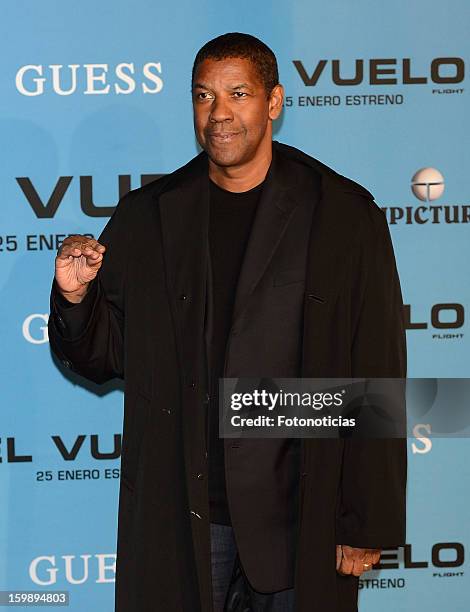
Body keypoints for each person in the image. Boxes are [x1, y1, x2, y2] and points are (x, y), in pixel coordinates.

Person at [48, 33, 406, 612]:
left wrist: (365, 519)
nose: (219, 114)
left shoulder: (341, 213)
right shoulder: (149, 216)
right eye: (204, 96)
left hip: (298, 514)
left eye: (238, 93)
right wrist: (74, 297)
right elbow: (104, 357)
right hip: (183, 514)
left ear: (274, 102)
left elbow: (377, 369)